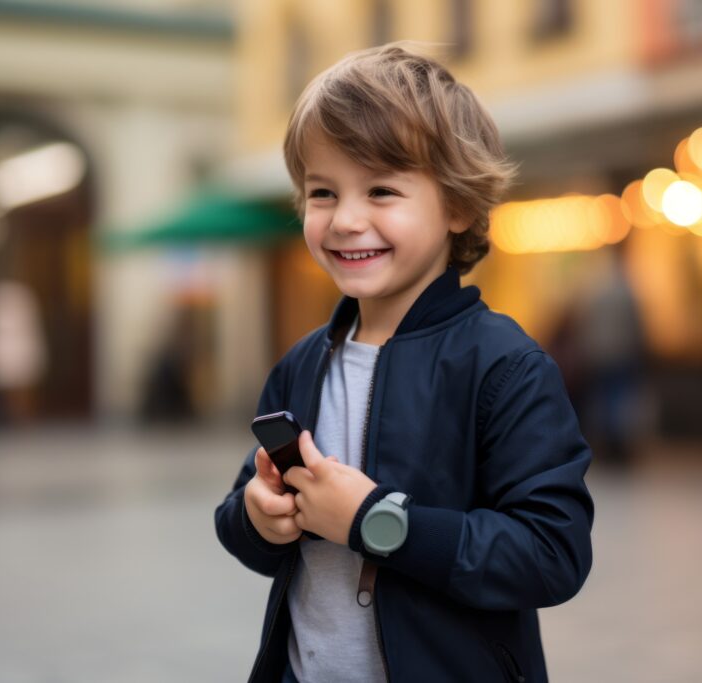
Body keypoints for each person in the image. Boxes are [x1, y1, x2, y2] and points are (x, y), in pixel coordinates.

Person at [214, 44, 594, 683]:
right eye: (323, 193)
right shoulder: (301, 366)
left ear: (458, 206)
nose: (346, 220)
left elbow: (551, 553)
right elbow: (239, 512)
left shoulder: (505, 366)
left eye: (382, 190)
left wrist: (375, 522)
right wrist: (257, 515)